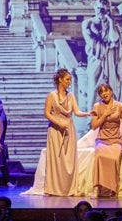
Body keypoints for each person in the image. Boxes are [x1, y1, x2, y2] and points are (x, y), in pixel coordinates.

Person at [43, 68, 92, 196]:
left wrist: (88, 113)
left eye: (70, 79)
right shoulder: (51, 96)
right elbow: (47, 113)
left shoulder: (71, 96)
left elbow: (76, 111)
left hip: (69, 129)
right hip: (55, 129)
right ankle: (53, 188)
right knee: (56, 159)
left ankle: (69, 188)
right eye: (67, 79)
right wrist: (59, 123)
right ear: (60, 80)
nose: (69, 82)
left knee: (69, 159)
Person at [90, 83, 122, 198]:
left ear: (111, 91)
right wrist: (105, 115)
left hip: (116, 139)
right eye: (101, 92)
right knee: (99, 156)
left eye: (106, 91)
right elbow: (94, 126)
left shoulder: (121, 106)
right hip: (102, 138)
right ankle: (96, 188)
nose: (104, 94)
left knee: (114, 158)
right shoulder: (97, 106)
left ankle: (113, 188)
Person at [82, 0, 122, 102]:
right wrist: (108, 45)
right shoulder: (87, 23)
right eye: (98, 8)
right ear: (94, 8)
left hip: (110, 60)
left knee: (110, 85)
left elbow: (114, 39)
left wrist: (110, 22)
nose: (100, 11)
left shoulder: (113, 24)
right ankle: (94, 114)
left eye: (103, 9)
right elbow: (91, 42)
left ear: (108, 10)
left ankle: (111, 113)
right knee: (93, 86)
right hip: (96, 59)